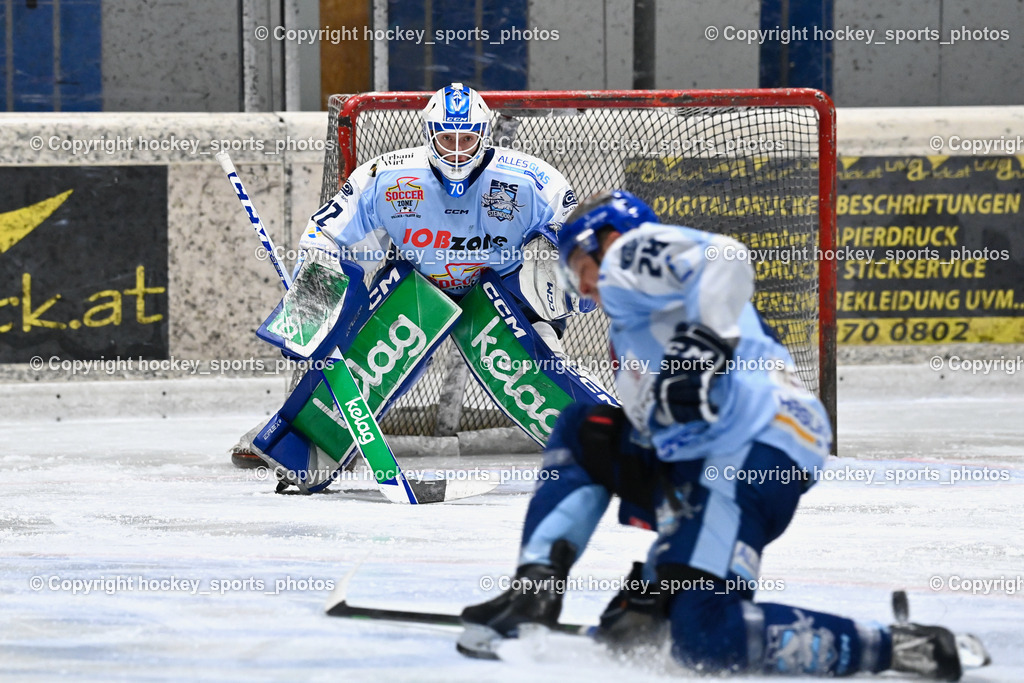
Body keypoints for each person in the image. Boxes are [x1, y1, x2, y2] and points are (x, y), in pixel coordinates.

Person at [459, 190, 965, 680]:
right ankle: (549, 587)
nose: (582, 283)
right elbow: (660, 432)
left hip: (749, 444)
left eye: (578, 264)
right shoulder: (641, 327)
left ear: (605, 239)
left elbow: (726, 256)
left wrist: (702, 347)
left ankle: (895, 647)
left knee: (706, 638)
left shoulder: (627, 257)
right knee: (643, 631)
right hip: (737, 455)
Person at [230, 82, 589, 469]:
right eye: (446, 138)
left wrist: (573, 287)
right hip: (421, 286)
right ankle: (302, 442)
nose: (456, 150)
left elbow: (580, 245)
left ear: (484, 135)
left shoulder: (534, 181)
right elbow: (327, 236)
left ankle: (609, 439)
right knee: (365, 361)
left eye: (466, 138)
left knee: (540, 373)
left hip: (503, 291)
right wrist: (310, 310)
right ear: (428, 134)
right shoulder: (386, 176)